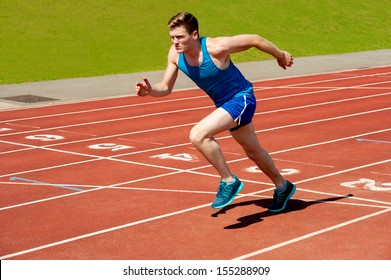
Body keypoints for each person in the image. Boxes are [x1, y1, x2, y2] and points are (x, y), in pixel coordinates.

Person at [135, 11, 295, 212]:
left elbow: (254, 39)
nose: (175, 42)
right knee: (253, 151)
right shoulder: (175, 55)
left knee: (198, 135)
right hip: (225, 105)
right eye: (172, 38)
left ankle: (229, 181)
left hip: (242, 98)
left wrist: (280, 55)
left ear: (194, 35)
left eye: (180, 37)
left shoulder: (215, 47)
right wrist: (150, 91)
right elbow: (166, 87)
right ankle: (283, 186)